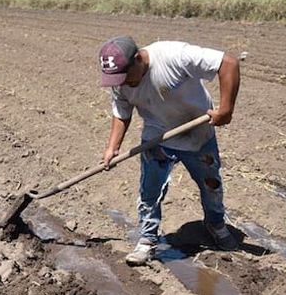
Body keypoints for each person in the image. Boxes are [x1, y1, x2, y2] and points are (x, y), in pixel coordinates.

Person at [97, 36, 241, 266]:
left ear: (138, 59)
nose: (121, 83)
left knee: (211, 185)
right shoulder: (120, 81)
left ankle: (216, 225)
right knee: (149, 191)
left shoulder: (173, 55)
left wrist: (226, 110)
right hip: (157, 139)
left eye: (125, 76)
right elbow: (121, 112)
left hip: (197, 133)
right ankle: (147, 239)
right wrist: (112, 148)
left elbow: (228, 63)